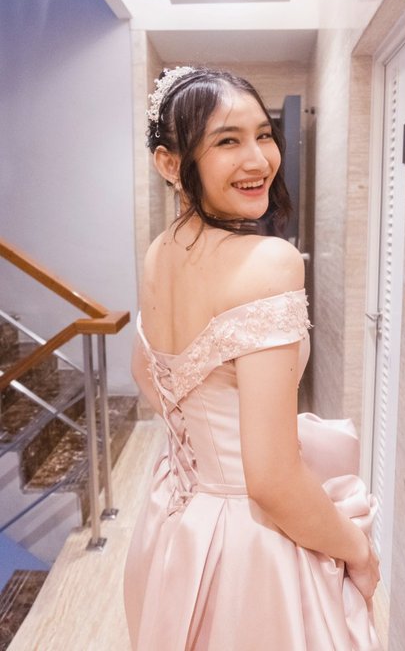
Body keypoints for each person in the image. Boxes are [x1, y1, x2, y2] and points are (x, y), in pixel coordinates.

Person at [124, 66, 381, 650]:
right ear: (170, 163)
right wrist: (358, 550)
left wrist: (208, 449)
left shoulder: (160, 252)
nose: (258, 159)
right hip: (250, 549)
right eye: (227, 140)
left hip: (174, 525)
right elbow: (270, 480)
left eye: (264, 135)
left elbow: (147, 372)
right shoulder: (269, 263)